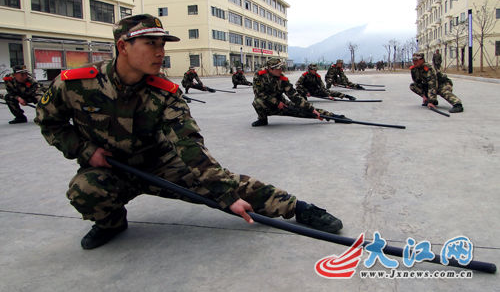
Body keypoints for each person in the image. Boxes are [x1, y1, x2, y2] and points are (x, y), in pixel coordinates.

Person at [35, 14, 343, 250]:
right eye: (151, 44)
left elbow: (190, 148)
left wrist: (226, 198)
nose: (160, 52)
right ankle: (111, 223)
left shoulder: (164, 93)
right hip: (112, 169)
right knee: (85, 190)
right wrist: (86, 151)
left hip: (162, 166)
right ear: (123, 46)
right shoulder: (75, 84)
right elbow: (50, 122)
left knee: (228, 183)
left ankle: (298, 207)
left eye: (162, 45)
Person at [251, 58, 345, 127]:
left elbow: (294, 95)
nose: (281, 70)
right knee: (257, 102)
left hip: (281, 103)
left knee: (303, 111)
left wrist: (311, 109)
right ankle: (262, 119)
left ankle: (332, 116)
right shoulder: (259, 75)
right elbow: (259, 93)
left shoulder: (282, 79)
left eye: (281, 68)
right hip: (267, 102)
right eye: (278, 69)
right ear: (270, 69)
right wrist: (276, 102)